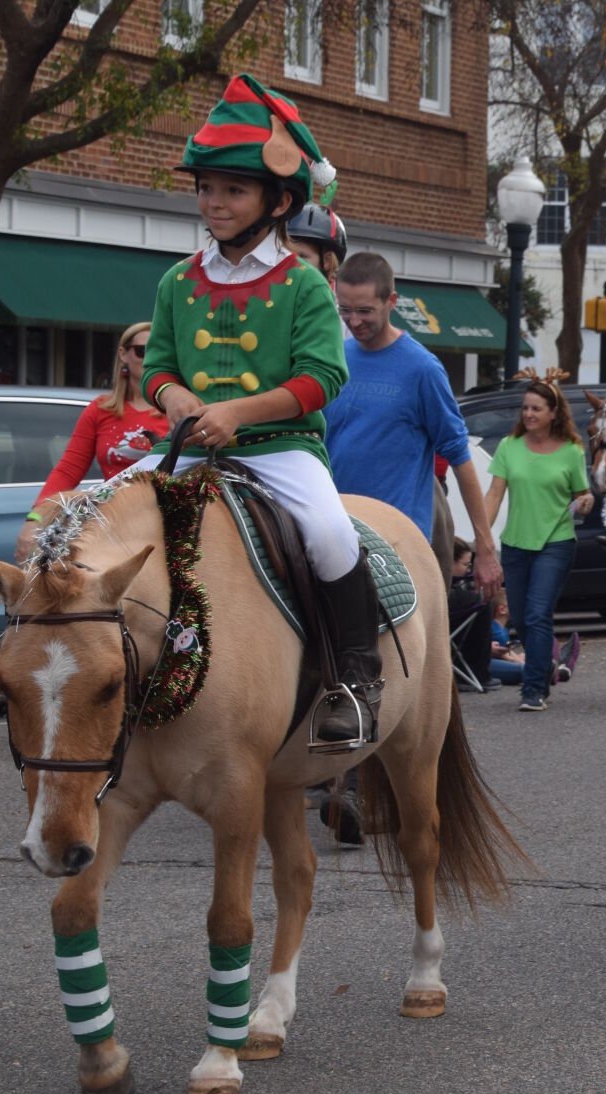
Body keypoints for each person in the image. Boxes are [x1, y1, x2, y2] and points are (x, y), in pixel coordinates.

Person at [133, 74, 377, 747]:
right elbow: (156, 368)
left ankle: (354, 682)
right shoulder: (176, 280)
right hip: (187, 447)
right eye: (206, 187)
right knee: (98, 514)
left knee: (330, 535)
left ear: (276, 198)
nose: (214, 201)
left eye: (232, 189)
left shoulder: (303, 283)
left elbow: (323, 376)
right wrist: (174, 397)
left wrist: (238, 414)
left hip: (281, 449)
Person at [325, 250, 502, 597]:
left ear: (391, 301)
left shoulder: (422, 369)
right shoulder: (336, 360)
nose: (354, 321)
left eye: (364, 311)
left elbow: (460, 458)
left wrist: (484, 546)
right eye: (345, 310)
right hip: (336, 534)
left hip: (398, 541)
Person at [481, 369, 592, 711]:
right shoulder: (509, 447)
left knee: (538, 613)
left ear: (553, 413)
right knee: (521, 618)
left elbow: (583, 495)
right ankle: (544, 667)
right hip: (516, 543)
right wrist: (481, 539)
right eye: (525, 408)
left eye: (536, 409)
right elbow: (495, 494)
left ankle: (533, 690)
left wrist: (586, 502)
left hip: (556, 542)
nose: (528, 414)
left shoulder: (571, 450)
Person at [15, 322, 171, 560]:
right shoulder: (100, 409)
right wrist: (35, 518)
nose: (150, 358)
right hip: (111, 522)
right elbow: (69, 469)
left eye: (158, 350)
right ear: (123, 354)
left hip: (164, 522)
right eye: (142, 350)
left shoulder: (174, 409)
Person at [287, 203, 347, 287]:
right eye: (285, 255)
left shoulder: (336, 298)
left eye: (301, 256)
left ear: (327, 261)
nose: (289, 263)